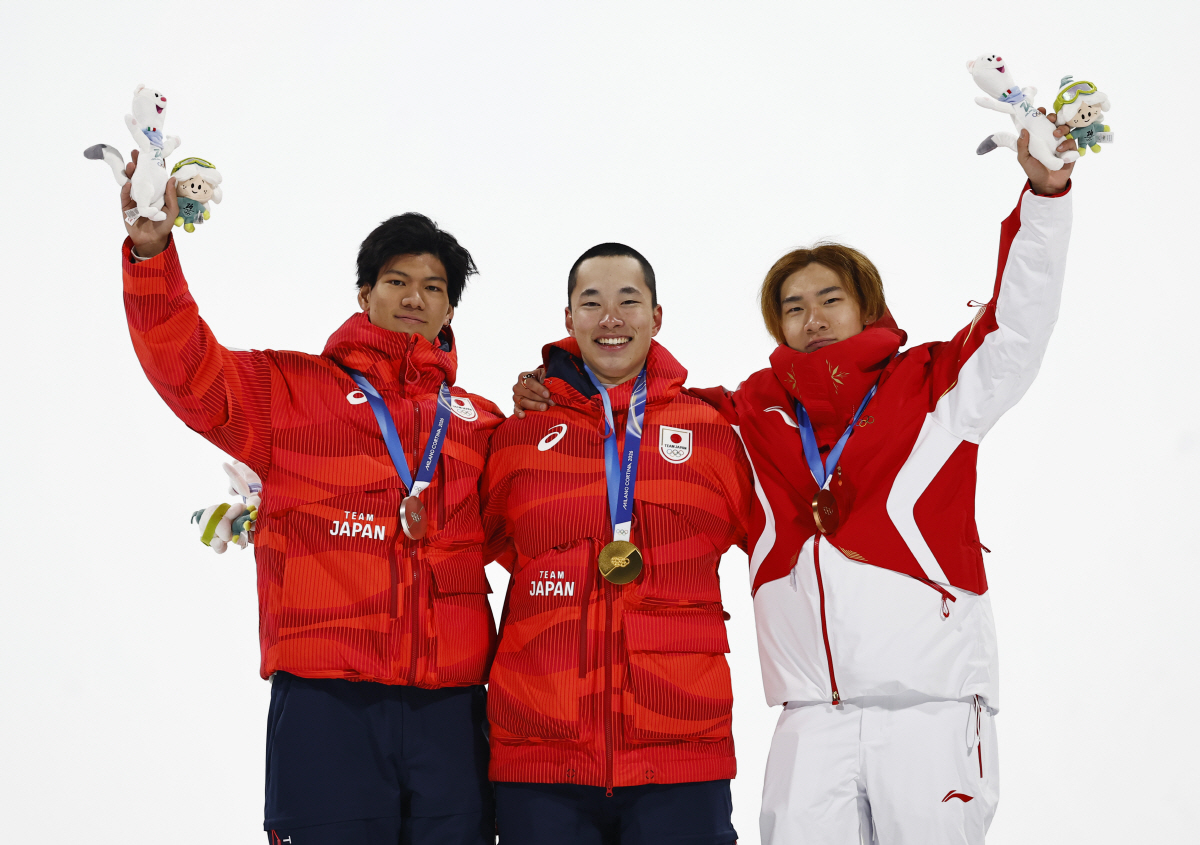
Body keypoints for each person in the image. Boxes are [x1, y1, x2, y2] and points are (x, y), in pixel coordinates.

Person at [513, 120, 1078, 844]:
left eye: (829, 299)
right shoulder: (753, 412)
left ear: (866, 306)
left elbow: (1017, 327)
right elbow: (646, 404)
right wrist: (557, 386)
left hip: (931, 707)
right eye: (793, 307)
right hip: (810, 717)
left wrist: (1047, 195)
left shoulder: (938, 384)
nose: (812, 319)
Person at [116, 152, 503, 845]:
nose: (414, 297)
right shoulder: (291, 392)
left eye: (432, 286)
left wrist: (556, 396)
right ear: (364, 294)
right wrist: (152, 253)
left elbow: (544, 513)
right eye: (396, 281)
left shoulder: (481, 423)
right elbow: (188, 370)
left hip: (451, 709)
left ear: (450, 307)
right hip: (329, 702)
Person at [480, 244, 754, 845]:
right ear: (569, 320)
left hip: (681, 750)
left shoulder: (709, 432)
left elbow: (772, 538)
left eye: (628, 301)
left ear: (657, 317)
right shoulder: (521, 434)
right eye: (592, 303)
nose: (611, 318)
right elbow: (478, 542)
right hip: (541, 754)